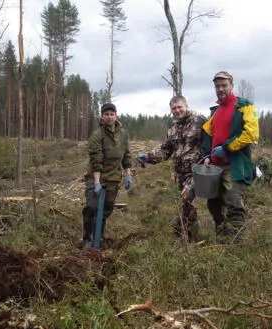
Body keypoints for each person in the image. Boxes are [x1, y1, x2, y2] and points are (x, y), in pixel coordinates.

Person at [137, 95, 206, 242]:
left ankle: (182, 235)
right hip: (181, 172)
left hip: (197, 171)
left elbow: (211, 141)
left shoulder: (200, 121)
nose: (177, 110)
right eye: (174, 108)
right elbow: (166, 150)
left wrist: (210, 159)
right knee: (187, 204)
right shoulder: (173, 129)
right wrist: (148, 157)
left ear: (186, 106)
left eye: (180, 107)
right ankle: (191, 238)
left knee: (187, 199)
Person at [201, 71, 259, 243]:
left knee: (234, 204)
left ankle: (236, 247)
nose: (220, 89)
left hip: (234, 165)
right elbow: (208, 134)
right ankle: (222, 238)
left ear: (231, 86)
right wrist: (207, 155)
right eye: (217, 86)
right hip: (214, 167)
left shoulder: (244, 106)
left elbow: (251, 134)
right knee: (214, 204)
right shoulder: (215, 111)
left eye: (224, 85)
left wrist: (227, 148)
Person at [82, 103, 133, 250]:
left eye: (112, 114)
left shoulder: (123, 134)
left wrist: (128, 174)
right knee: (92, 208)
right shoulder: (97, 135)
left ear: (116, 115)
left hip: (113, 179)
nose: (109, 117)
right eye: (106, 114)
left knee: (105, 211)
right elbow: (96, 160)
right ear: (102, 116)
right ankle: (87, 239)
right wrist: (97, 182)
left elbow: (126, 155)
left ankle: (99, 237)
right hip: (96, 178)